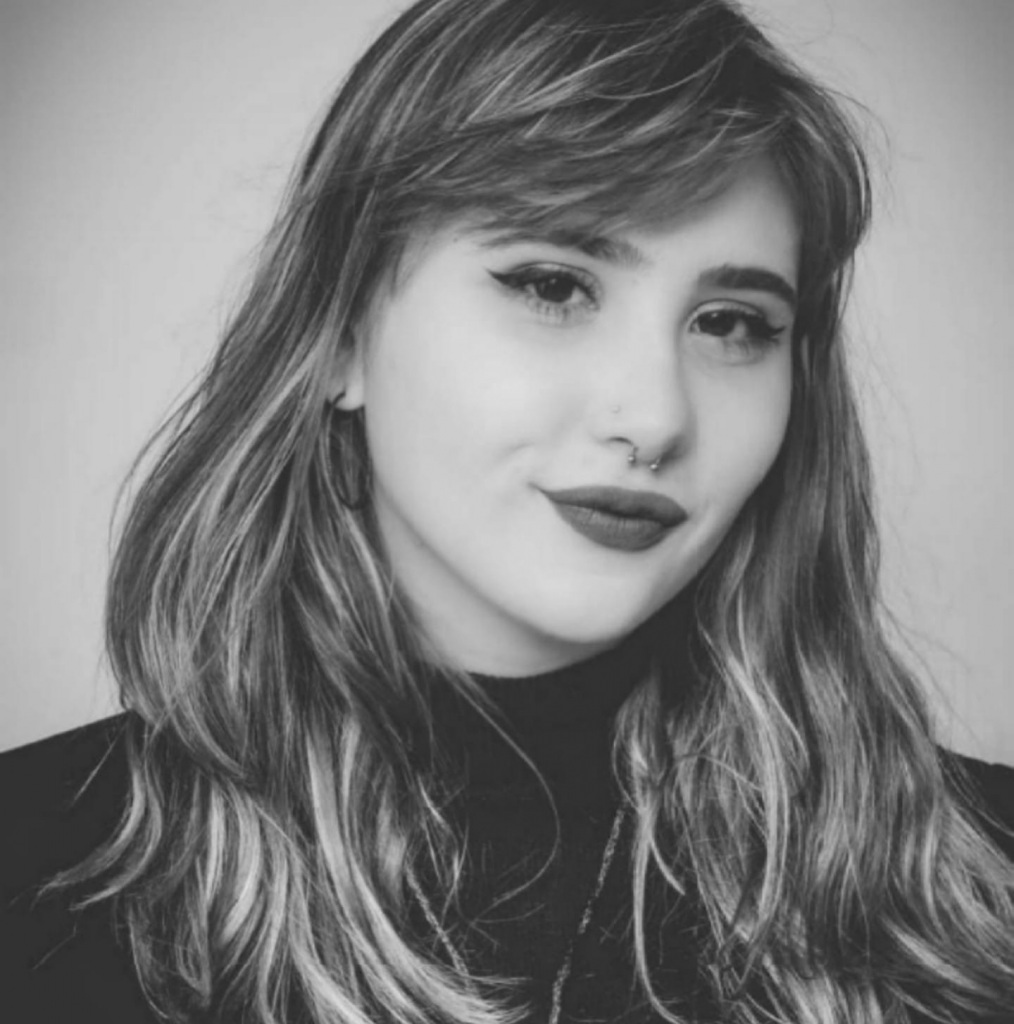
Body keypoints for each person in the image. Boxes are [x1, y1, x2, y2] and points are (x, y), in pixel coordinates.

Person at [2, 0, 1012, 1021]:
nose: (655, 418)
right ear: (340, 333)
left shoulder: (981, 892)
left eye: (729, 323)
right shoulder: (33, 875)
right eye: (552, 286)